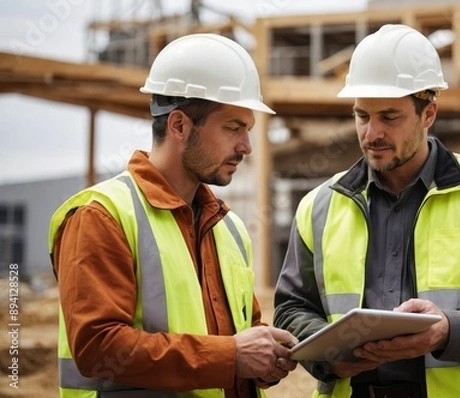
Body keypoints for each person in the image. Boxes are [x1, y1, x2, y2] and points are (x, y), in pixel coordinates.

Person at [273, 24, 460, 398]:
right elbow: (292, 307)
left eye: (389, 116)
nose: (372, 133)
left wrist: (448, 330)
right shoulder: (319, 206)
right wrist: (329, 358)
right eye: (362, 115)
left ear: (428, 113)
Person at [48, 33, 297, 398]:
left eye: (248, 130)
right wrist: (232, 356)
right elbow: (98, 349)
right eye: (233, 128)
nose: (246, 146)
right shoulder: (102, 216)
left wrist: (265, 359)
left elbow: (242, 337)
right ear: (179, 125)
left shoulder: (229, 228)